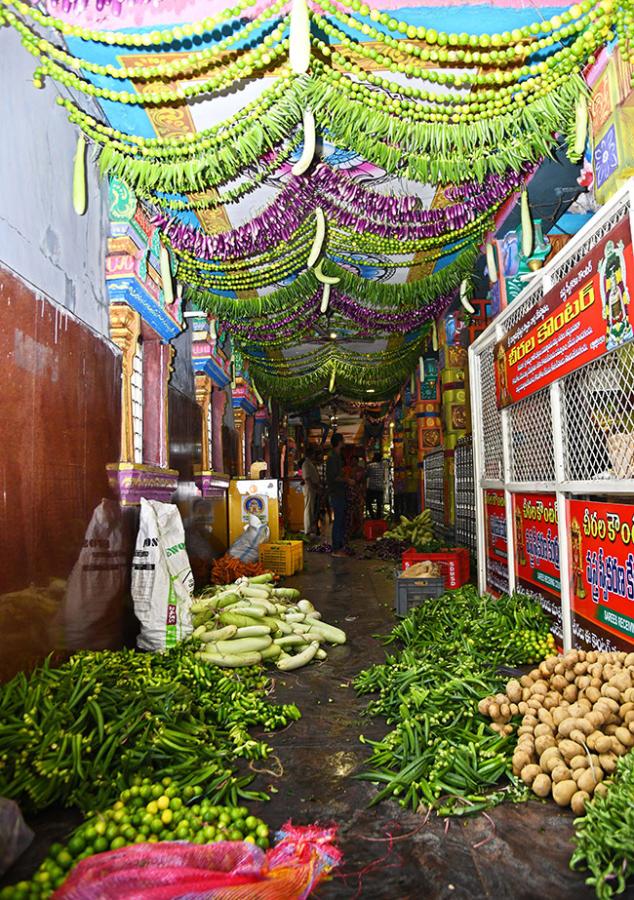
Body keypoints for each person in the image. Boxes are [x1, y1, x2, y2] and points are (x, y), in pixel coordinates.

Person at [326, 432, 348, 557]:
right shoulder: (332, 457)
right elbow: (334, 477)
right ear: (339, 442)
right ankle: (336, 549)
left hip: (339, 492)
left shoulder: (336, 456)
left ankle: (339, 546)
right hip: (336, 492)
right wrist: (347, 480)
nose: (344, 442)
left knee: (341, 519)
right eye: (343, 440)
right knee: (338, 520)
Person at [301, 447, 321, 536]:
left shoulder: (309, 463)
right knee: (308, 509)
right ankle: (307, 530)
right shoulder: (306, 464)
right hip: (309, 488)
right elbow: (307, 478)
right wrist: (314, 487)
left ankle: (310, 528)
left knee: (311, 509)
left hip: (312, 488)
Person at [366, 452, 385, 520]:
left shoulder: (370, 465)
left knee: (368, 503)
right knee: (379, 505)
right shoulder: (383, 466)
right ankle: (378, 519)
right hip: (380, 488)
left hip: (372, 488)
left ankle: (372, 517)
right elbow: (383, 476)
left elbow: (367, 475)